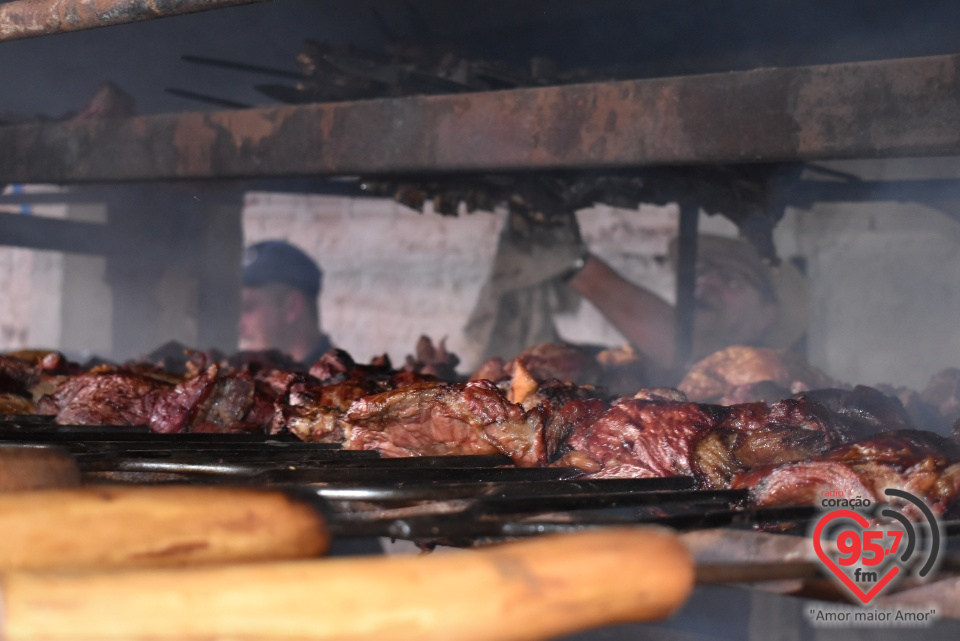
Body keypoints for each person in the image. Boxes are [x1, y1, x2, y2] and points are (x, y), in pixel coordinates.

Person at [565, 233, 810, 375]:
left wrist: (574, 263)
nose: (707, 281)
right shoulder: (647, 357)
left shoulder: (767, 378)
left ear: (765, 316)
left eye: (731, 279)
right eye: (703, 271)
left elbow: (678, 345)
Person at [239, 240, 333, 366]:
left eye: (248, 307)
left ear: (292, 307)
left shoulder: (342, 384)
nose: (239, 327)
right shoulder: (256, 376)